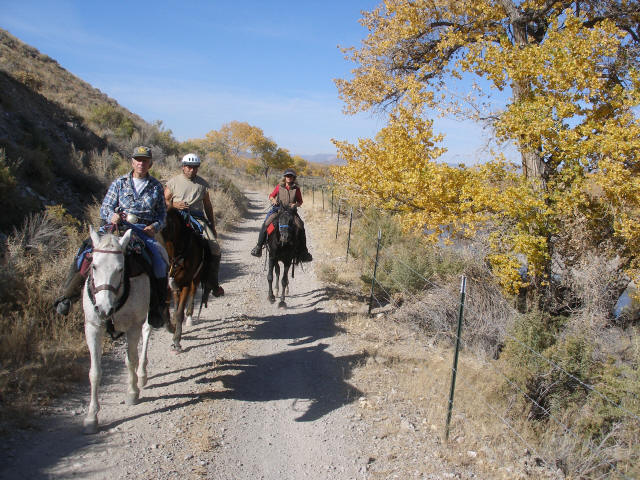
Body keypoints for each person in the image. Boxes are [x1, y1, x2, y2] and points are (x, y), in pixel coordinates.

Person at [54, 146, 169, 328]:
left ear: (150, 164)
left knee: (160, 263)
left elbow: (162, 215)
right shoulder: (119, 182)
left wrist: (154, 227)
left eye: (145, 160)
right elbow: (105, 207)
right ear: (132, 162)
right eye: (138, 159)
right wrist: (111, 216)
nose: (141, 163)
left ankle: (157, 307)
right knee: (85, 252)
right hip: (115, 228)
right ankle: (67, 296)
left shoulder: (156, 186)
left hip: (141, 230)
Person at [164, 153, 224, 297]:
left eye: (195, 167)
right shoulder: (173, 182)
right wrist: (174, 204)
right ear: (183, 167)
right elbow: (164, 200)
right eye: (189, 167)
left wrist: (212, 226)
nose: (191, 170)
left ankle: (213, 283)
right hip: (176, 216)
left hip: (197, 218)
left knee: (214, 248)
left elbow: (208, 206)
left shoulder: (202, 184)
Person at [250, 168, 312, 262]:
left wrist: (295, 205)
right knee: (267, 224)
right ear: (285, 177)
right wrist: (273, 200)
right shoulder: (279, 186)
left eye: (291, 176)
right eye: (287, 176)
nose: (289, 178)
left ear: (293, 178)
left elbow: (300, 201)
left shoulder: (296, 189)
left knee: (300, 226)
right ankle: (258, 247)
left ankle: (304, 251)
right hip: (278, 210)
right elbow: (271, 196)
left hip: (291, 212)